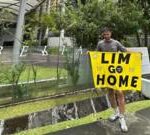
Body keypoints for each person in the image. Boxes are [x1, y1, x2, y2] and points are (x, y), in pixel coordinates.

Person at [96, 27, 128, 132]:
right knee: (110, 92)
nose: (106, 36)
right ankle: (116, 113)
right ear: (103, 35)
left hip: (116, 72)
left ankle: (122, 118)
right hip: (106, 73)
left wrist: (136, 55)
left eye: (108, 34)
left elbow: (125, 51)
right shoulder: (100, 44)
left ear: (111, 33)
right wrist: (90, 55)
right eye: (104, 35)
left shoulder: (116, 43)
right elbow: (96, 56)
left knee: (119, 92)